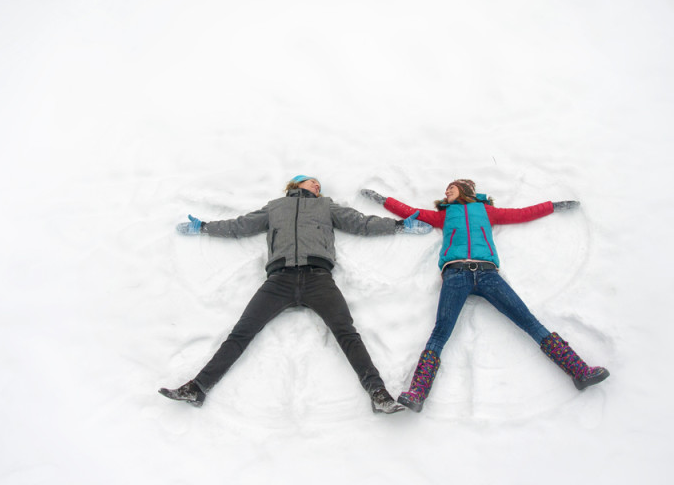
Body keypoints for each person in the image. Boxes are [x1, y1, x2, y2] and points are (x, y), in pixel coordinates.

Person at [159, 175, 431, 414]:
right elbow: (240, 226)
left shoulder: (326, 206)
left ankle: (379, 395)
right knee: (241, 333)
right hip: (279, 280)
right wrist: (205, 226)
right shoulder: (275, 207)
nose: (317, 184)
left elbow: (360, 223)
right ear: (295, 183)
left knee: (347, 334)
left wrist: (399, 226)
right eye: (311, 180)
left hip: (319, 279)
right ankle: (197, 387)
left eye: (319, 184)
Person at [361, 179, 609, 413]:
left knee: (529, 321)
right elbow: (410, 211)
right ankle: (417, 392)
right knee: (440, 332)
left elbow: (523, 213)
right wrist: (383, 200)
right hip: (456, 274)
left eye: (451, 187)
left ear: (465, 189)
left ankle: (579, 370)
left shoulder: (486, 211)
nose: (446, 191)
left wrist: (553, 206)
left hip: (489, 275)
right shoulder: (444, 215)